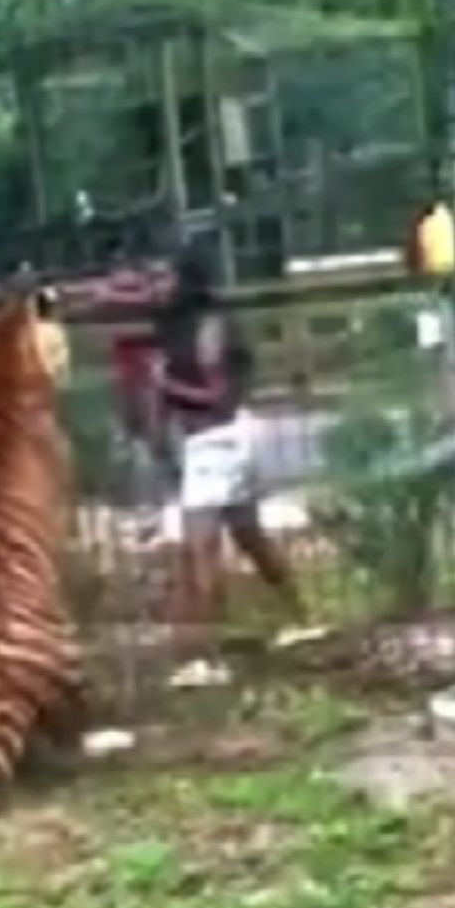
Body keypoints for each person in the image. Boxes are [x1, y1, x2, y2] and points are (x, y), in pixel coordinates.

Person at [151, 243, 322, 688]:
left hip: (217, 440)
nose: (157, 287)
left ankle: (206, 660)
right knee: (249, 535)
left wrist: (165, 383)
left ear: (185, 280)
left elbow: (218, 398)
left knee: (199, 548)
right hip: (218, 442)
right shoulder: (182, 326)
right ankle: (302, 618)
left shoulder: (208, 328)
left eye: (163, 278)